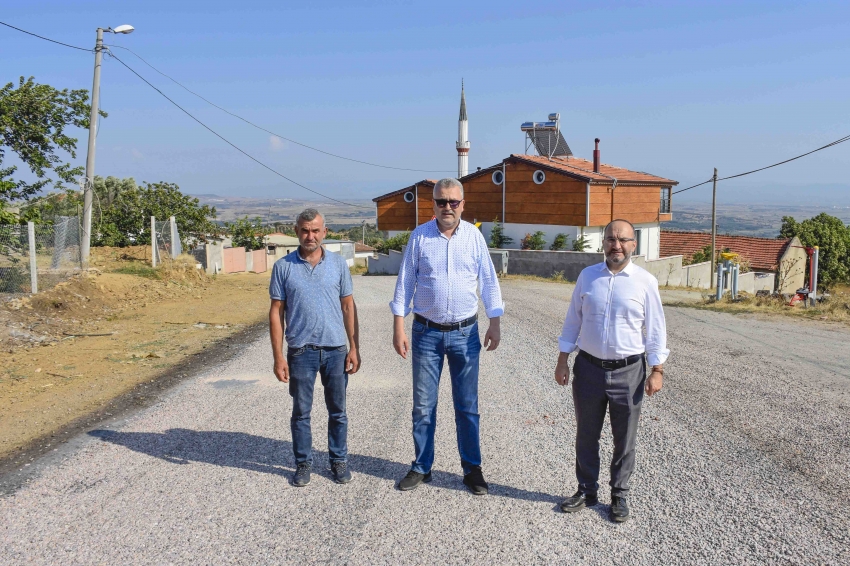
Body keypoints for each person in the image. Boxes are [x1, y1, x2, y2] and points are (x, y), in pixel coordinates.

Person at [390, 178, 504, 495]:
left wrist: (495, 321)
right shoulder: (420, 237)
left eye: (454, 202)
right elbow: (404, 284)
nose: (448, 207)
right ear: (434, 205)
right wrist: (398, 325)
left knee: (467, 406)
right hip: (425, 333)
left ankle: (472, 470)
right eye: (442, 202)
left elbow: (489, 282)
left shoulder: (474, 238)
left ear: (463, 204)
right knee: (423, 406)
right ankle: (421, 467)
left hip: (465, 334)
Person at [554, 219, 668, 522]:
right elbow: (572, 321)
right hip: (588, 369)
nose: (616, 245)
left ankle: (619, 495)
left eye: (622, 240)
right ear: (603, 243)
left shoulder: (645, 282)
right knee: (586, 434)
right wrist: (562, 359)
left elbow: (655, 329)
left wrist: (657, 369)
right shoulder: (588, 277)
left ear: (633, 245)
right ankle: (587, 490)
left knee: (624, 437)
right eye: (610, 239)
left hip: (629, 372)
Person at [269, 208, 361, 487]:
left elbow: (348, 306)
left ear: (325, 232)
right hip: (300, 352)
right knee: (301, 412)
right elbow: (276, 312)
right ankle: (303, 463)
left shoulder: (338, 265)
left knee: (338, 411)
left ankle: (338, 460)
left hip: (335, 350)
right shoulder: (283, 267)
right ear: (296, 231)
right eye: (305, 230)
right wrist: (277, 357)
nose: (311, 235)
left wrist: (354, 347)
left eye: (316, 230)